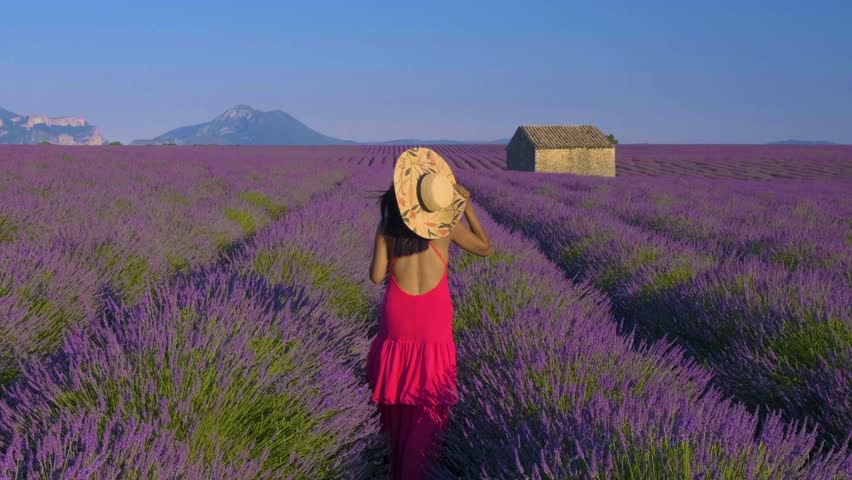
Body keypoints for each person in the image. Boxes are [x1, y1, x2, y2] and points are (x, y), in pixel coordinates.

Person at [367, 147, 492, 479]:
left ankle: (394, 466)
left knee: (395, 403)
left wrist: (384, 241)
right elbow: (485, 246)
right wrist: (466, 207)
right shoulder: (445, 230)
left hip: (398, 316)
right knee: (429, 403)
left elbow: (377, 276)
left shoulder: (387, 227)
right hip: (434, 321)